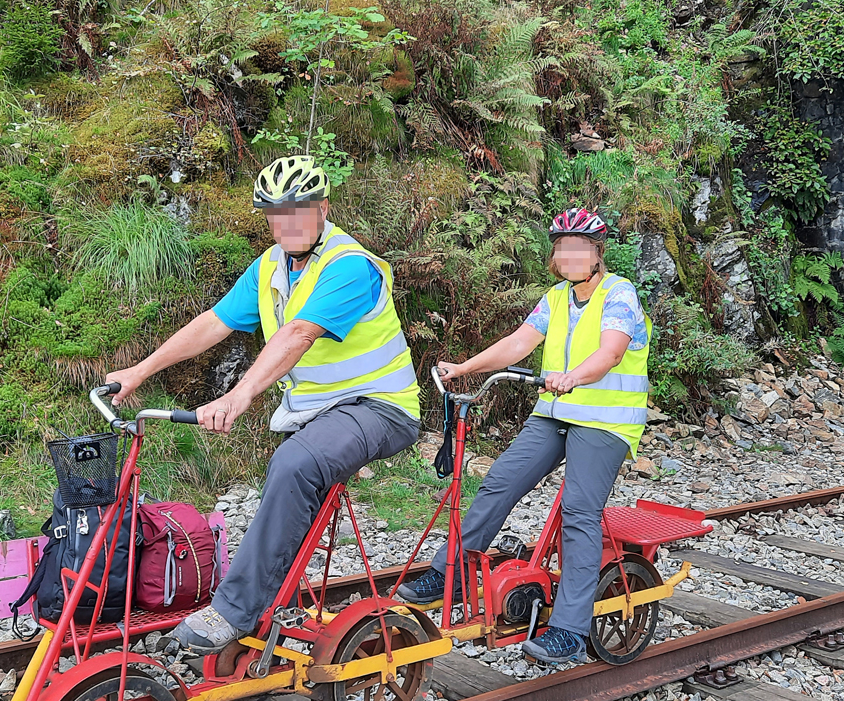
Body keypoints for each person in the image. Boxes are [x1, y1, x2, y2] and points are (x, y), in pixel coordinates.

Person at [107, 156, 421, 654]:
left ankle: (233, 611)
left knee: (295, 464)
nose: (287, 224)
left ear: (323, 210)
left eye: (299, 211)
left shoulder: (350, 267)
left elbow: (298, 333)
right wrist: (139, 372)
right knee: (287, 484)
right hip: (320, 411)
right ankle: (270, 604)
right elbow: (214, 323)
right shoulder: (271, 267)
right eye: (276, 214)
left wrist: (240, 394)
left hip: (380, 407)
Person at [395, 207, 651, 664]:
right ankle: (450, 572)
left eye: (580, 247)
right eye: (562, 248)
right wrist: (464, 368)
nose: (569, 255)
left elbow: (611, 352)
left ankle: (569, 629)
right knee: (499, 480)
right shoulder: (554, 298)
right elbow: (518, 342)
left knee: (578, 512)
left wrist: (574, 376)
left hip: (606, 422)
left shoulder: (620, 294)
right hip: (555, 414)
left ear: (597, 253)